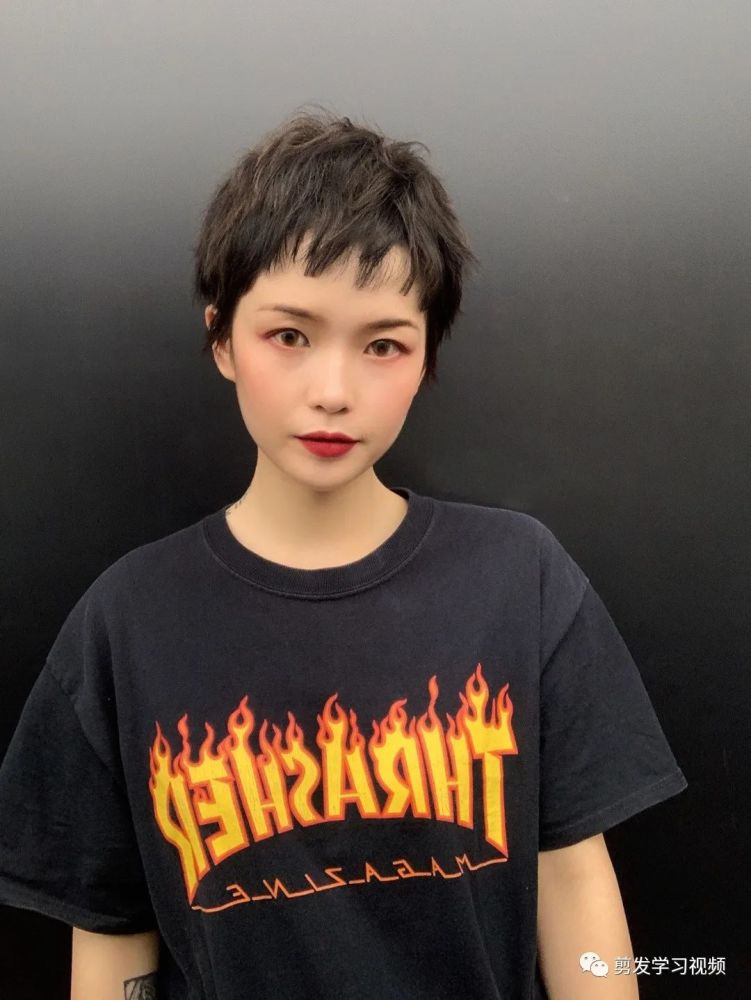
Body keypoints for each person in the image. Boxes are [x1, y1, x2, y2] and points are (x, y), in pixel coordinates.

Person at [0, 105, 687, 1000]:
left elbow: (574, 882)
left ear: (426, 358)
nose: (333, 390)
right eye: (289, 335)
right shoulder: (127, 622)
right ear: (221, 338)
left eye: (383, 345)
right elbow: (112, 938)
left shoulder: (517, 580)